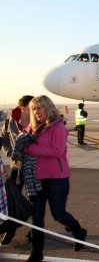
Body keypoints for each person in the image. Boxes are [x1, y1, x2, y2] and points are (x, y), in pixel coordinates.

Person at [25, 95, 87, 261]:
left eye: (39, 108)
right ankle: (36, 252)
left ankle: (78, 231)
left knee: (58, 214)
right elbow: (22, 142)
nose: (36, 112)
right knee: (36, 216)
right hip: (36, 179)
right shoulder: (32, 128)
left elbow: (56, 151)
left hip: (56, 179)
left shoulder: (57, 127)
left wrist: (31, 149)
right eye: (33, 109)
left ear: (48, 108)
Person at [0, 95, 33, 246]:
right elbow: (3, 139)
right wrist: (9, 152)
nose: (32, 111)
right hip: (16, 167)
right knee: (12, 200)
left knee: (35, 199)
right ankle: (10, 230)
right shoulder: (9, 122)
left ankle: (35, 231)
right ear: (21, 108)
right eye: (29, 108)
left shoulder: (37, 121)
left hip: (33, 167)